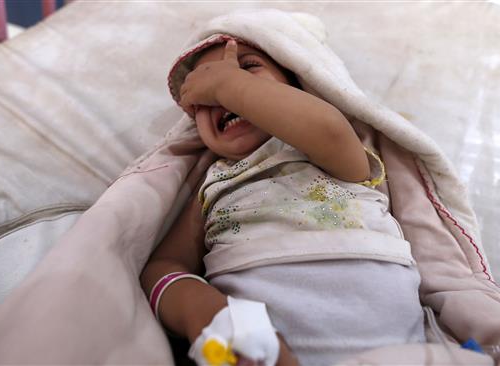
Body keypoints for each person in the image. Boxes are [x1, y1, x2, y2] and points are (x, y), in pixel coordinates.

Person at [140, 37, 425, 366]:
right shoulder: (215, 184)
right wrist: (200, 311)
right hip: (258, 343)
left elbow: (327, 127)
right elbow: (162, 269)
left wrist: (226, 85)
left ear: (299, 88)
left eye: (248, 67)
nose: (220, 89)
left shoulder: (327, 149)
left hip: (389, 344)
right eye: (203, 93)